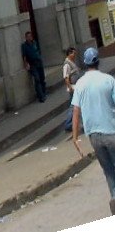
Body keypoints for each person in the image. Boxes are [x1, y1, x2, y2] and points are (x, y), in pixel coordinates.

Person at [72, 46, 115, 215]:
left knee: (109, 170)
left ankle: (114, 197)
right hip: (111, 131)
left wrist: (75, 137)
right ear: (98, 61)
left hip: (93, 136)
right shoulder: (108, 80)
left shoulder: (80, 84)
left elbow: (76, 111)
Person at [21, 30, 46, 103]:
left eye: (30, 36)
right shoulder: (24, 46)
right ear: (26, 37)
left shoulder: (34, 43)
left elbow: (37, 51)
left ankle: (44, 93)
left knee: (42, 78)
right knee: (37, 79)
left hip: (39, 62)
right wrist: (26, 64)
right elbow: (24, 56)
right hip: (32, 64)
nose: (30, 38)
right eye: (28, 37)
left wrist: (40, 58)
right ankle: (41, 96)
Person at [63, 46, 81, 132]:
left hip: (76, 87)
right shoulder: (67, 64)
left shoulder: (71, 62)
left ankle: (72, 123)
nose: (75, 55)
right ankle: (68, 124)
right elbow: (66, 78)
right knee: (73, 106)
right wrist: (70, 87)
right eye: (73, 53)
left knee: (74, 106)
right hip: (73, 88)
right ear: (69, 54)